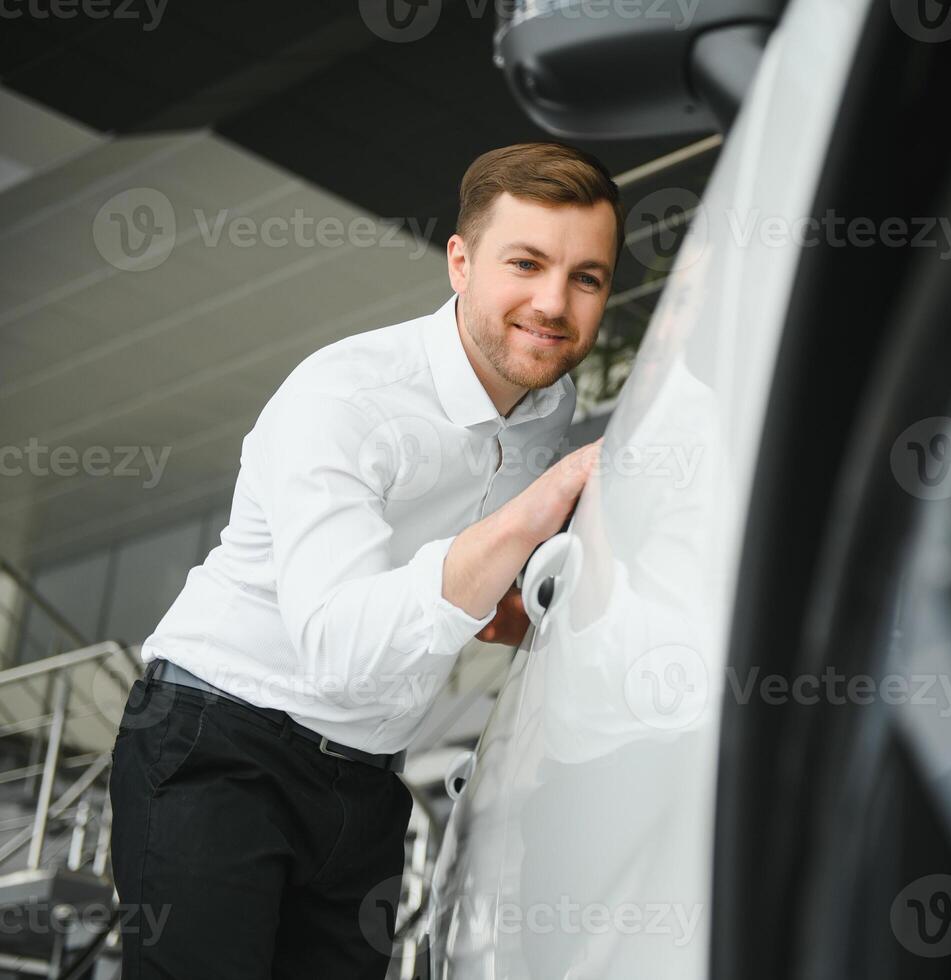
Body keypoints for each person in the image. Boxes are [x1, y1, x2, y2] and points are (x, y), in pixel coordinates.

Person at [107, 141, 623, 978]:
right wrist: (537, 508)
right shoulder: (345, 397)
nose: (553, 302)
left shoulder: (546, 409)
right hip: (219, 741)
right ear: (459, 262)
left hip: (367, 781)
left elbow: (466, 590)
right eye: (524, 264)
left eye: (587, 278)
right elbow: (342, 650)